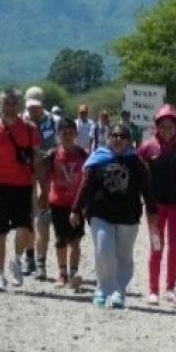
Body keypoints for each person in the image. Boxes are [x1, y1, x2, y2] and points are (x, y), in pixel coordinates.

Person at [70, 124, 157, 309]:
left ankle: (119, 291)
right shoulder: (97, 159)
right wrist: (76, 209)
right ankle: (102, 288)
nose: (118, 139)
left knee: (123, 255)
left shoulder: (136, 161)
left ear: (129, 140)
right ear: (108, 138)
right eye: (114, 135)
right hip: (100, 213)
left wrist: (152, 211)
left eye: (122, 136)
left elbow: (147, 188)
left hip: (128, 215)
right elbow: (85, 184)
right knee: (103, 250)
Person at [0, 88, 48, 293]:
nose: (10, 106)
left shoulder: (29, 129)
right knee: (0, 232)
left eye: (14, 102)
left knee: (25, 229)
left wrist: (44, 190)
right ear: (0, 105)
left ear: (19, 105)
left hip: (24, 185)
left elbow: (37, 160)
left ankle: (16, 259)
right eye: (6, 102)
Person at [136, 104, 176, 306]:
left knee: (175, 246)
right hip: (155, 207)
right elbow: (136, 171)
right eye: (162, 126)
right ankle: (153, 290)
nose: (166, 130)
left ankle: (171, 287)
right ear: (156, 127)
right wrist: (142, 196)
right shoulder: (147, 148)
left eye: (170, 127)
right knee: (156, 246)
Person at [41, 117, 88, 290]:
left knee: (75, 240)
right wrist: (44, 197)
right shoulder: (53, 155)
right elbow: (45, 177)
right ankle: (62, 272)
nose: (67, 136)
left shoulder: (83, 155)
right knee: (60, 239)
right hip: (58, 203)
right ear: (58, 135)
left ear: (76, 134)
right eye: (63, 133)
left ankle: (74, 274)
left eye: (70, 133)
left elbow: (88, 179)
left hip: (77, 203)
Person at [22, 85, 60, 279]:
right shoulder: (21, 122)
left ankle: (41, 262)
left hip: (45, 172)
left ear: (42, 105)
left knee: (43, 219)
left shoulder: (52, 122)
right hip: (25, 174)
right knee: (27, 217)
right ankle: (29, 258)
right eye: (30, 107)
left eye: (36, 107)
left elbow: (54, 148)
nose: (32, 111)